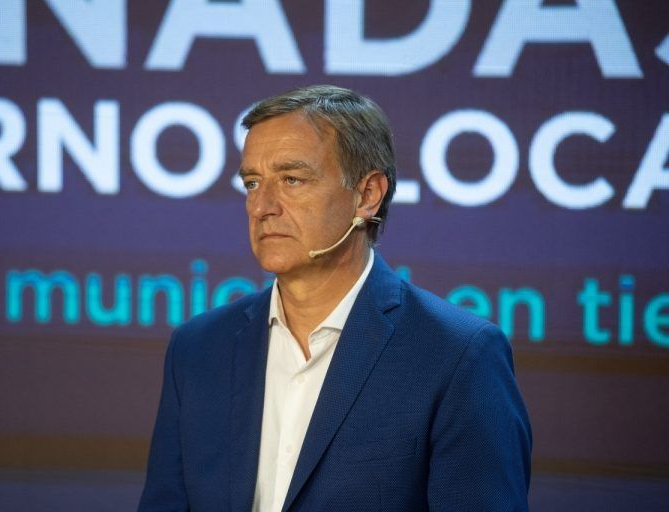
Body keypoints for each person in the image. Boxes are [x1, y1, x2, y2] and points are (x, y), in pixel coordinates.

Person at [138, 85, 532, 511]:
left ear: (367, 195)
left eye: (291, 179)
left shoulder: (457, 356)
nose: (262, 206)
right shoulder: (198, 348)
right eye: (252, 183)